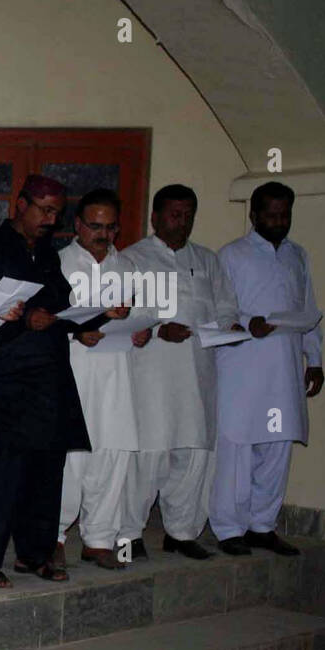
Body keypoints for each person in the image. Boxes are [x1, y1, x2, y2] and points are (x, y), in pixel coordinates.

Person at [0, 174, 108, 588]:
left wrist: (85, 321)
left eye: (56, 212)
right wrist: (26, 316)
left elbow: (60, 298)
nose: (50, 219)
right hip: (6, 373)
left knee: (47, 469)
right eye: (44, 210)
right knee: (1, 472)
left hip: (48, 373)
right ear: (20, 204)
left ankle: (35, 554)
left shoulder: (46, 250)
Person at [119, 184, 239, 561]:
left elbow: (226, 308)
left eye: (188, 215)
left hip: (198, 374)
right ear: (155, 217)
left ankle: (182, 531)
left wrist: (231, 328)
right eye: (174, 214)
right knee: (148, 454)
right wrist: (156, 330)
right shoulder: (131, 259)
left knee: (194, 453)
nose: (182, 221)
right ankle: (128, 533)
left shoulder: (207, 260)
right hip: (151, 375)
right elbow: (117, 315)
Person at [211, 181, 323, 555]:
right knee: (238, 447)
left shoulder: (297, 256)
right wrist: (247, 321)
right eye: (271, 214)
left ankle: (262, 525)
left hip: (285, 369)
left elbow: (308, 311)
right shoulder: (232, 255)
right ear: (253, 215)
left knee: (276, 447)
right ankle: (229, 529)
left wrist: (316, 360)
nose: (278, 221)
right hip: (243, 367)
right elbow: (217, 310)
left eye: (284, 214)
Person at [57, 188, 148, 568]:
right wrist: (75, 331)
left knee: (112, 453)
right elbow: (45, 318)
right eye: (95, 226)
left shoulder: (128, 267)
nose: (103, 234)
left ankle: (99, 539)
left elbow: (142, 314)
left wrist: (143, 332)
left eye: (110, 228)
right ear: (78, 224)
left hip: (117, 373)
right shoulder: (59, 262)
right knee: (69, 458)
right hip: (74, 371)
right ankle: (53, 536)